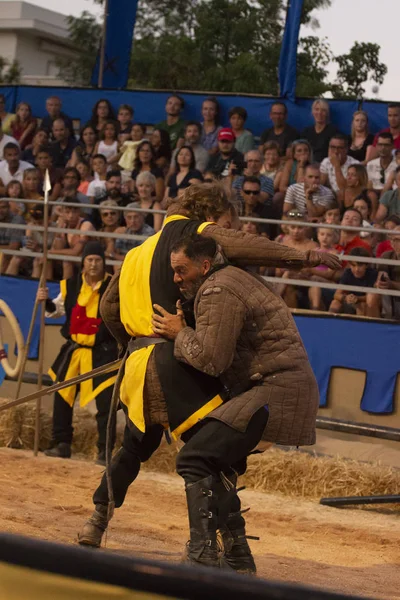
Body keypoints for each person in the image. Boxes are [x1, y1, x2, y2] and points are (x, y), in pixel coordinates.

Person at [77, 183, 340, 562]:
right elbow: (251, 246)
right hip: (178, 361)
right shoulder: (196, 234)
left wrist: (129, 345)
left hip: (138, 367)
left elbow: (108, 306)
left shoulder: (135, 252)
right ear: (211, 216)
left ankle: (96, 519)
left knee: (133, 448)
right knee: (211, 456)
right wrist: (305, 255)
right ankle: (230, 547)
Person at [150, 233, 319, 569]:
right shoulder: (231, 280)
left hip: (273, 393)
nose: (176, 278)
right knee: (214, 459)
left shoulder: (218, 289)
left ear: (205, 265)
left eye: (181, 270)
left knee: (194, 459)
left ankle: (202, 555)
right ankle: (239, 557)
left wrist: (178, 332)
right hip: (277, 390)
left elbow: (211, 360)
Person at [37, 242, 119, 464]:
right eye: (89, 260)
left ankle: (105, 450)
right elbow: (57, 311)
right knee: (62, 398)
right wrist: (45, 302)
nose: (93, 264)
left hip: (102, 353)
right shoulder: (71, 286)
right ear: (83, 262)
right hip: (74, 351)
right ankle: (62, 443)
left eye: (98, 260)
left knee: (105, 404)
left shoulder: (113, 286)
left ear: (104, 262)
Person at [51, 196, 96, 279]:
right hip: (76, 257)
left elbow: (76, 251)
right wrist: (59, 229)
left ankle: (66, 290)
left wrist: (51, 252)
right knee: (43, 259)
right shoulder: (64, 224)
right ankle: (45, 287)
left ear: (79, 212)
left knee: (67, 261)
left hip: (89, 257)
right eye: (67, 212)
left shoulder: (86, 224)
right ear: (63, 213)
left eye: (74, 212)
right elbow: (58, 247)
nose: (71, 216)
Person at [329, 247, 379, 317]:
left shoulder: (372, 274)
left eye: (360, 265)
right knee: (335, 303)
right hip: (350, 301)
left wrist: (357, 298)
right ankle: (331, 325)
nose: (356, 269)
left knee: (362, 305)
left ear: (367, 265)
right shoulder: (347, 272)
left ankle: (361, 326)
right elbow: (336, 294)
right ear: (349, 265)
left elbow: (371, 297)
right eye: (353, 265)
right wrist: (345, 298)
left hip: (364, 303)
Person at [377, 225, 400, 319]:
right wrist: (380, 281)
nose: (394, 243)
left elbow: (391, 285)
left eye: (398, 240)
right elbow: (380, 277)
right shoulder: (386, 256)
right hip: (391, 298)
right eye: (392, 239)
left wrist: (392, 284)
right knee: (373, 294)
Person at [0, 199, 25, 273]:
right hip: (4, 250)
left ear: (9, 208)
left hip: (14, 254)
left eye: (3, 207)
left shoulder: (17, 220)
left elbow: (13, 248)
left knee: (5, 255)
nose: (0, 210)